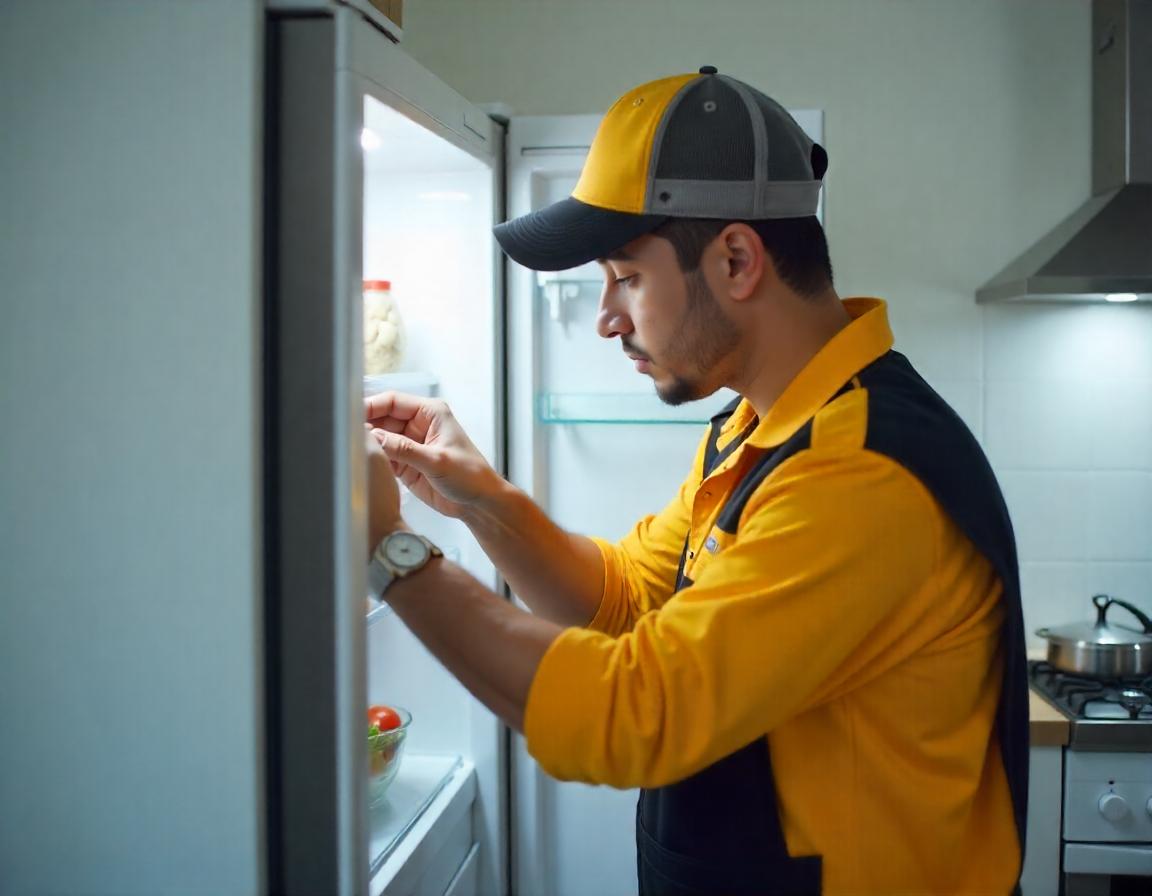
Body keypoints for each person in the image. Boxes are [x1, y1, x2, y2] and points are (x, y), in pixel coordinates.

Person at [364, 67, 1028, 896]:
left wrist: (388, 556)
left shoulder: (858, 475)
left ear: (738, 259)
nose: (607, 315)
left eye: (627, 276)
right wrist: (478, 500)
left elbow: (634, 712)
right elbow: (624, 598)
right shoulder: (760, 429)